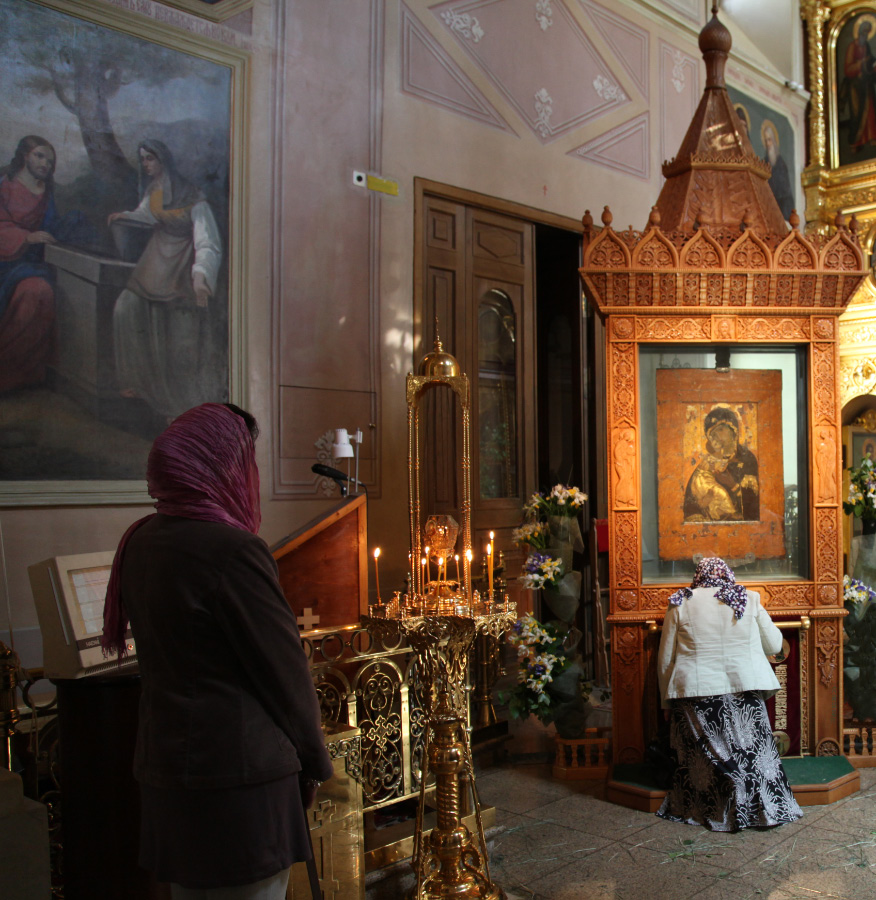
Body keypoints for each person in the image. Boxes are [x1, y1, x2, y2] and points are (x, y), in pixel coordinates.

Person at [102, 402, 332, 899]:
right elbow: (283, 674)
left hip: (170, 777)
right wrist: (315, 761)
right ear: (221, 466)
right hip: (240, 786)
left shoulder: (139, 541)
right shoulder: (233, 550)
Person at [656, 557, 803, 831]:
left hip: (697, 695)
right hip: (745, 690)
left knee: (709, 760)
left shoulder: (680, 602)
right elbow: (773, 644)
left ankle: (720, 808)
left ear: (698, 575)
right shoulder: (748, 598)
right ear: (728, 574)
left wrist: (666, 701)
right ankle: (762, 808)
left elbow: (666, 660)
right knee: (755, 756)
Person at [108, 139, 223, 419]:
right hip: (154, 261)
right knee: (125, 308)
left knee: (179, 338)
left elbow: (207, 241)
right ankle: (138, 383)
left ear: (164, 160)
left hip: (182, 263)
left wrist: (201, 275)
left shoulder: (192, 195)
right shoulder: (154, 191)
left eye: (150, 159)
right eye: (143, 159)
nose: (146, 165)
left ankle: (183, 408)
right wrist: (125, 216)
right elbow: (146, 216)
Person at [0, 136, 60, 393]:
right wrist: (26, 238)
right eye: (39, 156)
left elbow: (53, 228)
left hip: (33, 264)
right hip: (5, 261)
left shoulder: (47, 193)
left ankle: (21, 373)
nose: (45, 163)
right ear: (25, 155)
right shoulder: (6, 187)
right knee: (32, 290)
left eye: (49, 159)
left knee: (40, 291)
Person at [684, 407, 759, 523]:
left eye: (720, 429)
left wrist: (732, 485)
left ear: (733, 429)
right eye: (712, 434)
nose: (716, 436)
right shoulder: (710, 462)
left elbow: (754, 506)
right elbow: (691, 506)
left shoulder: (747, 459)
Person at [844, 17, 876, 153]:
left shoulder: (866, 46)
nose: (865, 35)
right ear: (860, 32)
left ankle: (871, 137)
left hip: (866, 84)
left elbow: (870, 61)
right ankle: (857, 141)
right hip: (855, 87)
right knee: (857, 114)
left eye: (868, 33)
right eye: (864, 32)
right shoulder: (852, 47)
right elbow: (848, 68)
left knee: (870, 111)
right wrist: (862, 64)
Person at [761, 120, 795, 222]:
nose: (768, 144)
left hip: (782, 203)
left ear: (774, 141)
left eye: (770, 140)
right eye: (766, 140)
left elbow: (786, 190)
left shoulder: (781, 164)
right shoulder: (763, 164)